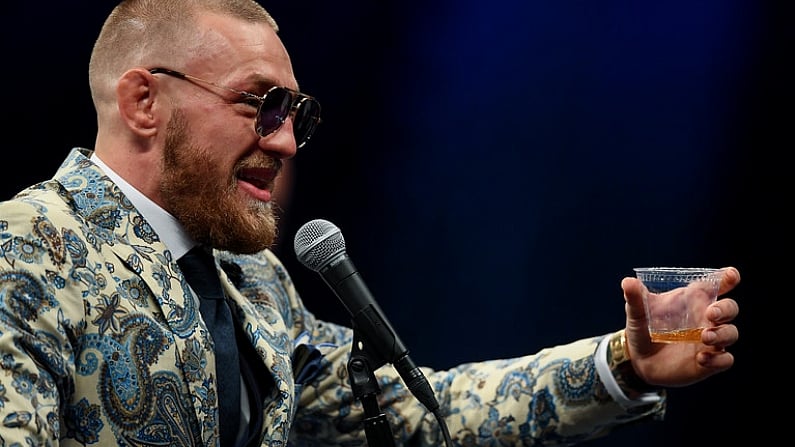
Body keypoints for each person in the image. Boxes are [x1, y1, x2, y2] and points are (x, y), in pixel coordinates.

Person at [0, 1, 741, 446]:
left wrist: (622, 363)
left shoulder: (251, 280)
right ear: (143, 102)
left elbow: (420, 414)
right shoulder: (26, 250)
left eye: (296, 114)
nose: (286, 141)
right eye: (259, 105)